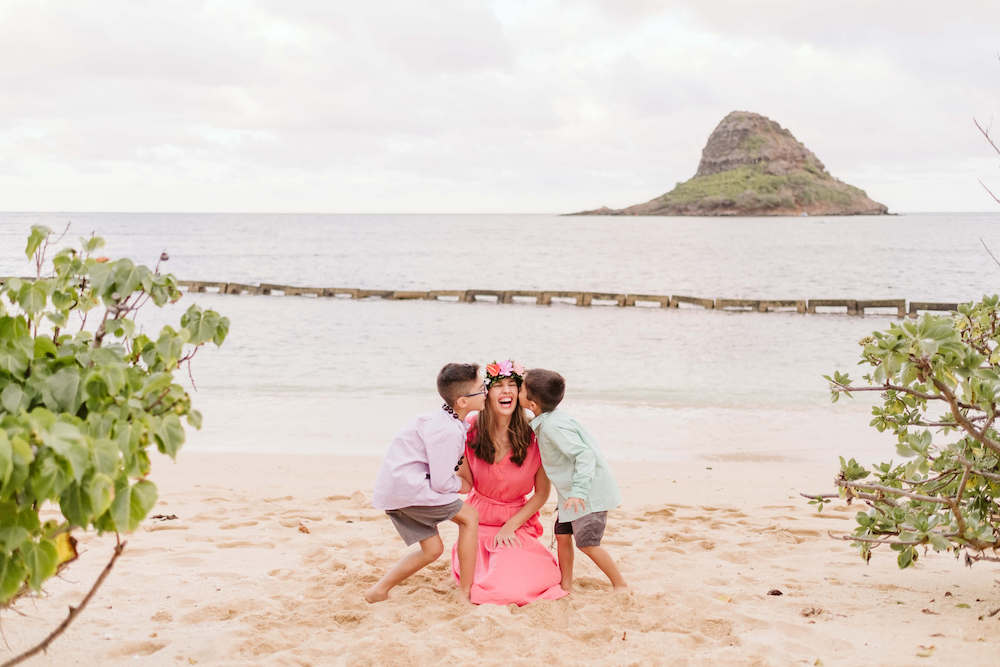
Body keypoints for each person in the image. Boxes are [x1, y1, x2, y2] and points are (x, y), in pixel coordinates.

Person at [366, 363, 486, 603]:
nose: (486, 391)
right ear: (463, 402)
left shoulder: (441, 418)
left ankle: (378, 590)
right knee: (470, 518)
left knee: (433, 550)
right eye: (482, 388)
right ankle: (465, 591)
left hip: (397, 490)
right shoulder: (447, 430)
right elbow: (442, 483)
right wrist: (460, 486)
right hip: (411, 488)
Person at [450, 360, 567, 605]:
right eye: (499, 386)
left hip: (516, 522)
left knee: (517, 586)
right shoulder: (470, 428)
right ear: (487, 394)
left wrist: (510, 526)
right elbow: (466, 484)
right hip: (477, 522)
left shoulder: (535, 435)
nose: (506, 391)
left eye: (512, 385)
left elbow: (541, 495)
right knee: (486, 585)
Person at [520, 368, 627, 592]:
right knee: (562, 536)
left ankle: (620, 584)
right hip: (570, 496)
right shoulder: (547, 419)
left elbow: (584, 455)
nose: (516, 390)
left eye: (520, 388)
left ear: (532, 404)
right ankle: (565, 584)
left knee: (588, 544)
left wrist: (579, 491)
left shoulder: (552, 426)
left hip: (587, 494)